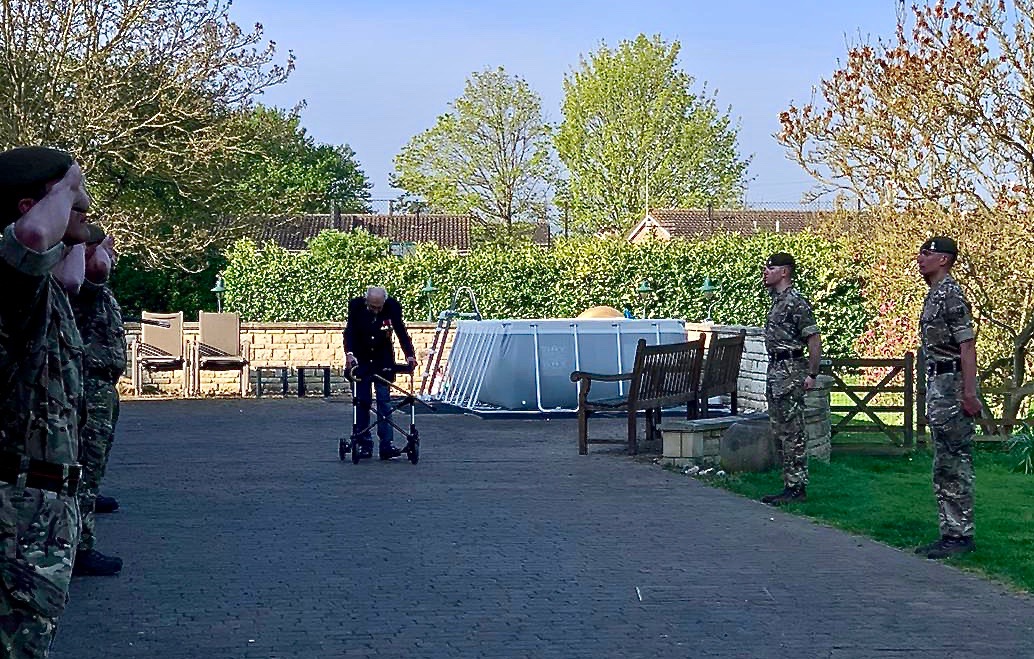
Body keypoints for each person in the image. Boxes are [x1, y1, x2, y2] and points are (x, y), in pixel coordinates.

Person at [0, 146, 98, 657]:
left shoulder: (44, 289)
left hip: (43, 503)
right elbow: (35, 237)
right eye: (74, 198)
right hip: (16, 506)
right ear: (26, 206)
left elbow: (75, 276)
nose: (84, 206)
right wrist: (66, 183)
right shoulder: (9, 272)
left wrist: (78, 228)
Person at [913, 236, 980, 559]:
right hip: (939, 384)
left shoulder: (951, 294)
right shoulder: (935, 294)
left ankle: (961, 536)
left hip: (951, 385)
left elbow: (967, 346)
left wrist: (969, 392)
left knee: (955, 462)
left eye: (927, 253)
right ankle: (950, 532)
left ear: (944, 259)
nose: (920, 258)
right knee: (943, 463)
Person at [70, 233, 126, 576]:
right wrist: (92, 256)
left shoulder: (99, 291)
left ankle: (89, 505)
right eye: (106, 249)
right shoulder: (81, 288)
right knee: (85, 466)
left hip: (103, 384)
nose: (111, 257)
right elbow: (88, 281)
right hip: (89, 384)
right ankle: (80, 546)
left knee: (95, 460)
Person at [760, 252, 822, 506]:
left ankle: (797, 487)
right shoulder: (777, 301)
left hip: (791, 370)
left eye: (771, 268)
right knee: (780, 430)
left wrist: (812, 374)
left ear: (784, 272)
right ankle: (788, 484)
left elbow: (813, 338)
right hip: (776, 369)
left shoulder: (795, 302)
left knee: (793, 431)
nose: (765, 272)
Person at [343, 286, 417, 460]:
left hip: (382, 360)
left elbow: (401, 331)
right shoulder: (356, 307)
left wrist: (410, 355)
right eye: (372, 307)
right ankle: (364, 443)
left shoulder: (392, 307)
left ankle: (387, 444)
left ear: (384, 302)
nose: (376, 310)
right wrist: (350, 354)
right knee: (363, 402)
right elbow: (350, 332)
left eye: (379, 307)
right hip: (361, 360)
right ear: (366, 301)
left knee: (384, 402)